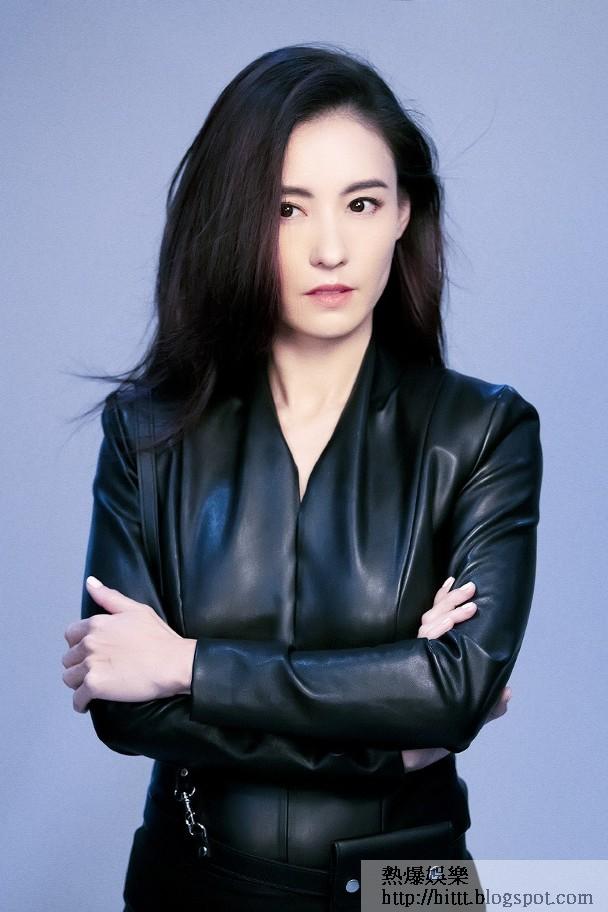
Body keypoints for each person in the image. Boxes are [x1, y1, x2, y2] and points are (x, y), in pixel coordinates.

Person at [61, 43, 542, 911]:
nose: (329, 248)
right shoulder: (147, 432)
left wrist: (187, 664)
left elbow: (458, 689)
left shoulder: (483, 431)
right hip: (197, 880)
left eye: (362, 203)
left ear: (404, 213)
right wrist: (391, 726)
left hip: (412, 885)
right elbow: (123, 709)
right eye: (287, 208)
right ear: (238, 219)